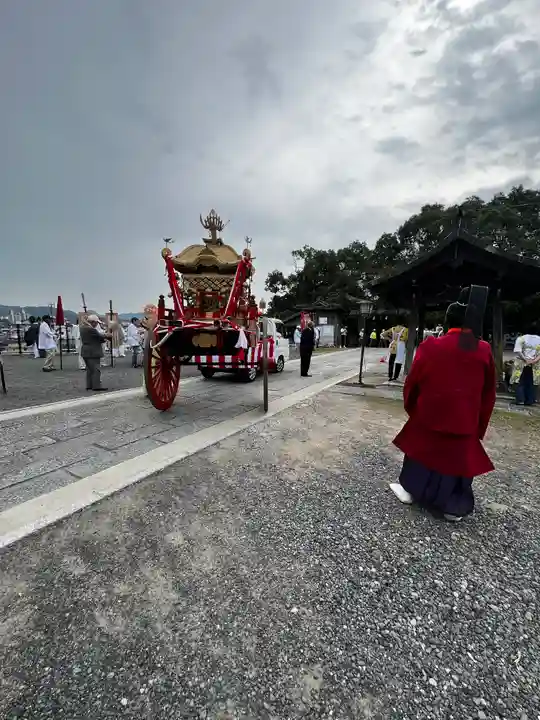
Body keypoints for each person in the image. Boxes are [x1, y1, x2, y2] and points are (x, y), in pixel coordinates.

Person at [389, 287, 497, 522]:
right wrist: (478, 426)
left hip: (429, 417)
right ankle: (452, 506)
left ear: (448, 322)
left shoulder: (431, 346)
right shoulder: (483, 349)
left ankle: (411, 490)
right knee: (455, 462)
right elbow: (489, 393)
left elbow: (412, 384)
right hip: (465, 421)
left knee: (422, 453)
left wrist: (414, 411)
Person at [80, 314, 112, 391]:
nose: (97, 324)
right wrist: (109, 335)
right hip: (93, 351)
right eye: (96, 323)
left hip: (85, 350)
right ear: (93, 322)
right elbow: (100, 336)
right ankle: (96, 386)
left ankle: (89, 385)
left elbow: (96, 337)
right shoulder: (91, 329)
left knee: (89, 370)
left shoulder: (83, 328)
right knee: (95, 369)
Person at [510, 325, 540, 406]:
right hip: (535, 364)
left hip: (521, 363)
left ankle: (520, 400)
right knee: (532, 382)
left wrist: (526, 360)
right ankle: (530, 400)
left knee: (519, 381)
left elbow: (518, 351)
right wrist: (534, 360)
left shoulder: (521, 338)